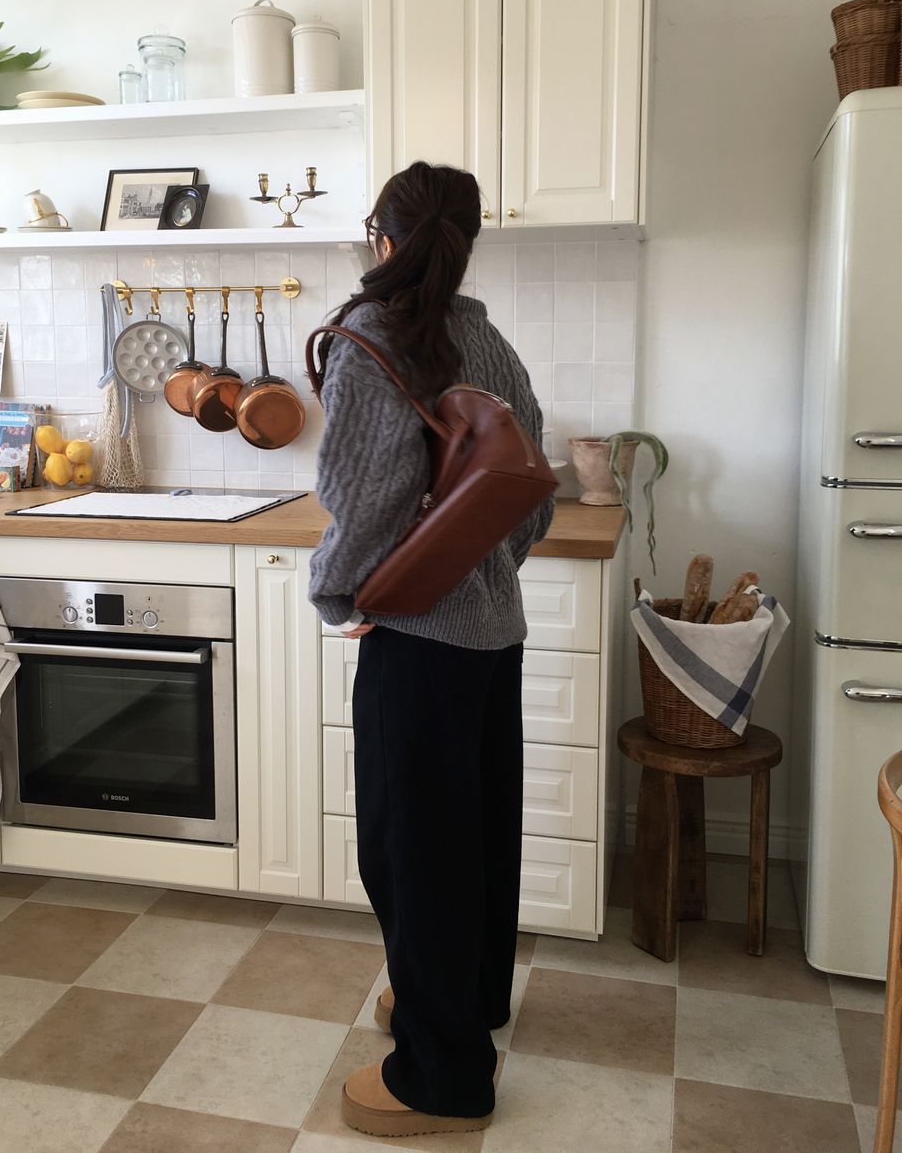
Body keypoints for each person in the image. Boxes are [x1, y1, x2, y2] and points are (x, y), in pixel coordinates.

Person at [308, 160, 554, 1139]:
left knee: (412, 850)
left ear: (382, 236)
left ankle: (441, 1074)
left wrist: (340, 592)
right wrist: (485, 571)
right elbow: (529, 490)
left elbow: (362, 500)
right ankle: (464, 1002)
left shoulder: (374, 336)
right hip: (493, 637)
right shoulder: (484, 338)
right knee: (476, 836)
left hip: (416, 640)